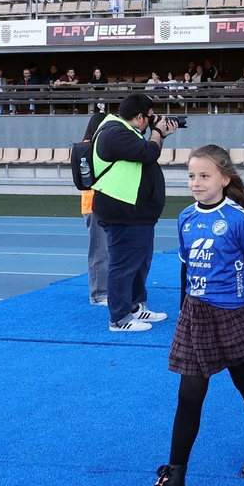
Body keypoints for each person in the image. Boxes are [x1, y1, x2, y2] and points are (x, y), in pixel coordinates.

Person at [131, 146, 244, 486]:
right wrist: (185, 311)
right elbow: (186, 269)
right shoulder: (184, 218)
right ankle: (175, 477)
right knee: (189, 394)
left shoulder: (237, 219)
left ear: (224, 179)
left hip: (233, 313)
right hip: (196, 316)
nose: (196, 182)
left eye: (204, 176)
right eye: (191, 176)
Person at [92, 94, 179, 332]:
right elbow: (149, 153)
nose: (153, 121)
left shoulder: (126, 132)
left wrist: (157, 133)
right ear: (139, 116)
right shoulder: (115, 132)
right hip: (122, 212)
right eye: (150, 116)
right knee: (123, 264)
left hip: (136, 213)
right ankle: (119, 319)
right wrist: (158, 133)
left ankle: (135, 305)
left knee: (139, 262)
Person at [81, 104, 109, 307]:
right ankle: (99, 293)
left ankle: (103, 290)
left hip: (98, 203)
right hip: (94, 203)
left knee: (104, 249)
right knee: (100, 250)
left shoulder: (88, 146)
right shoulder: (88, 148)